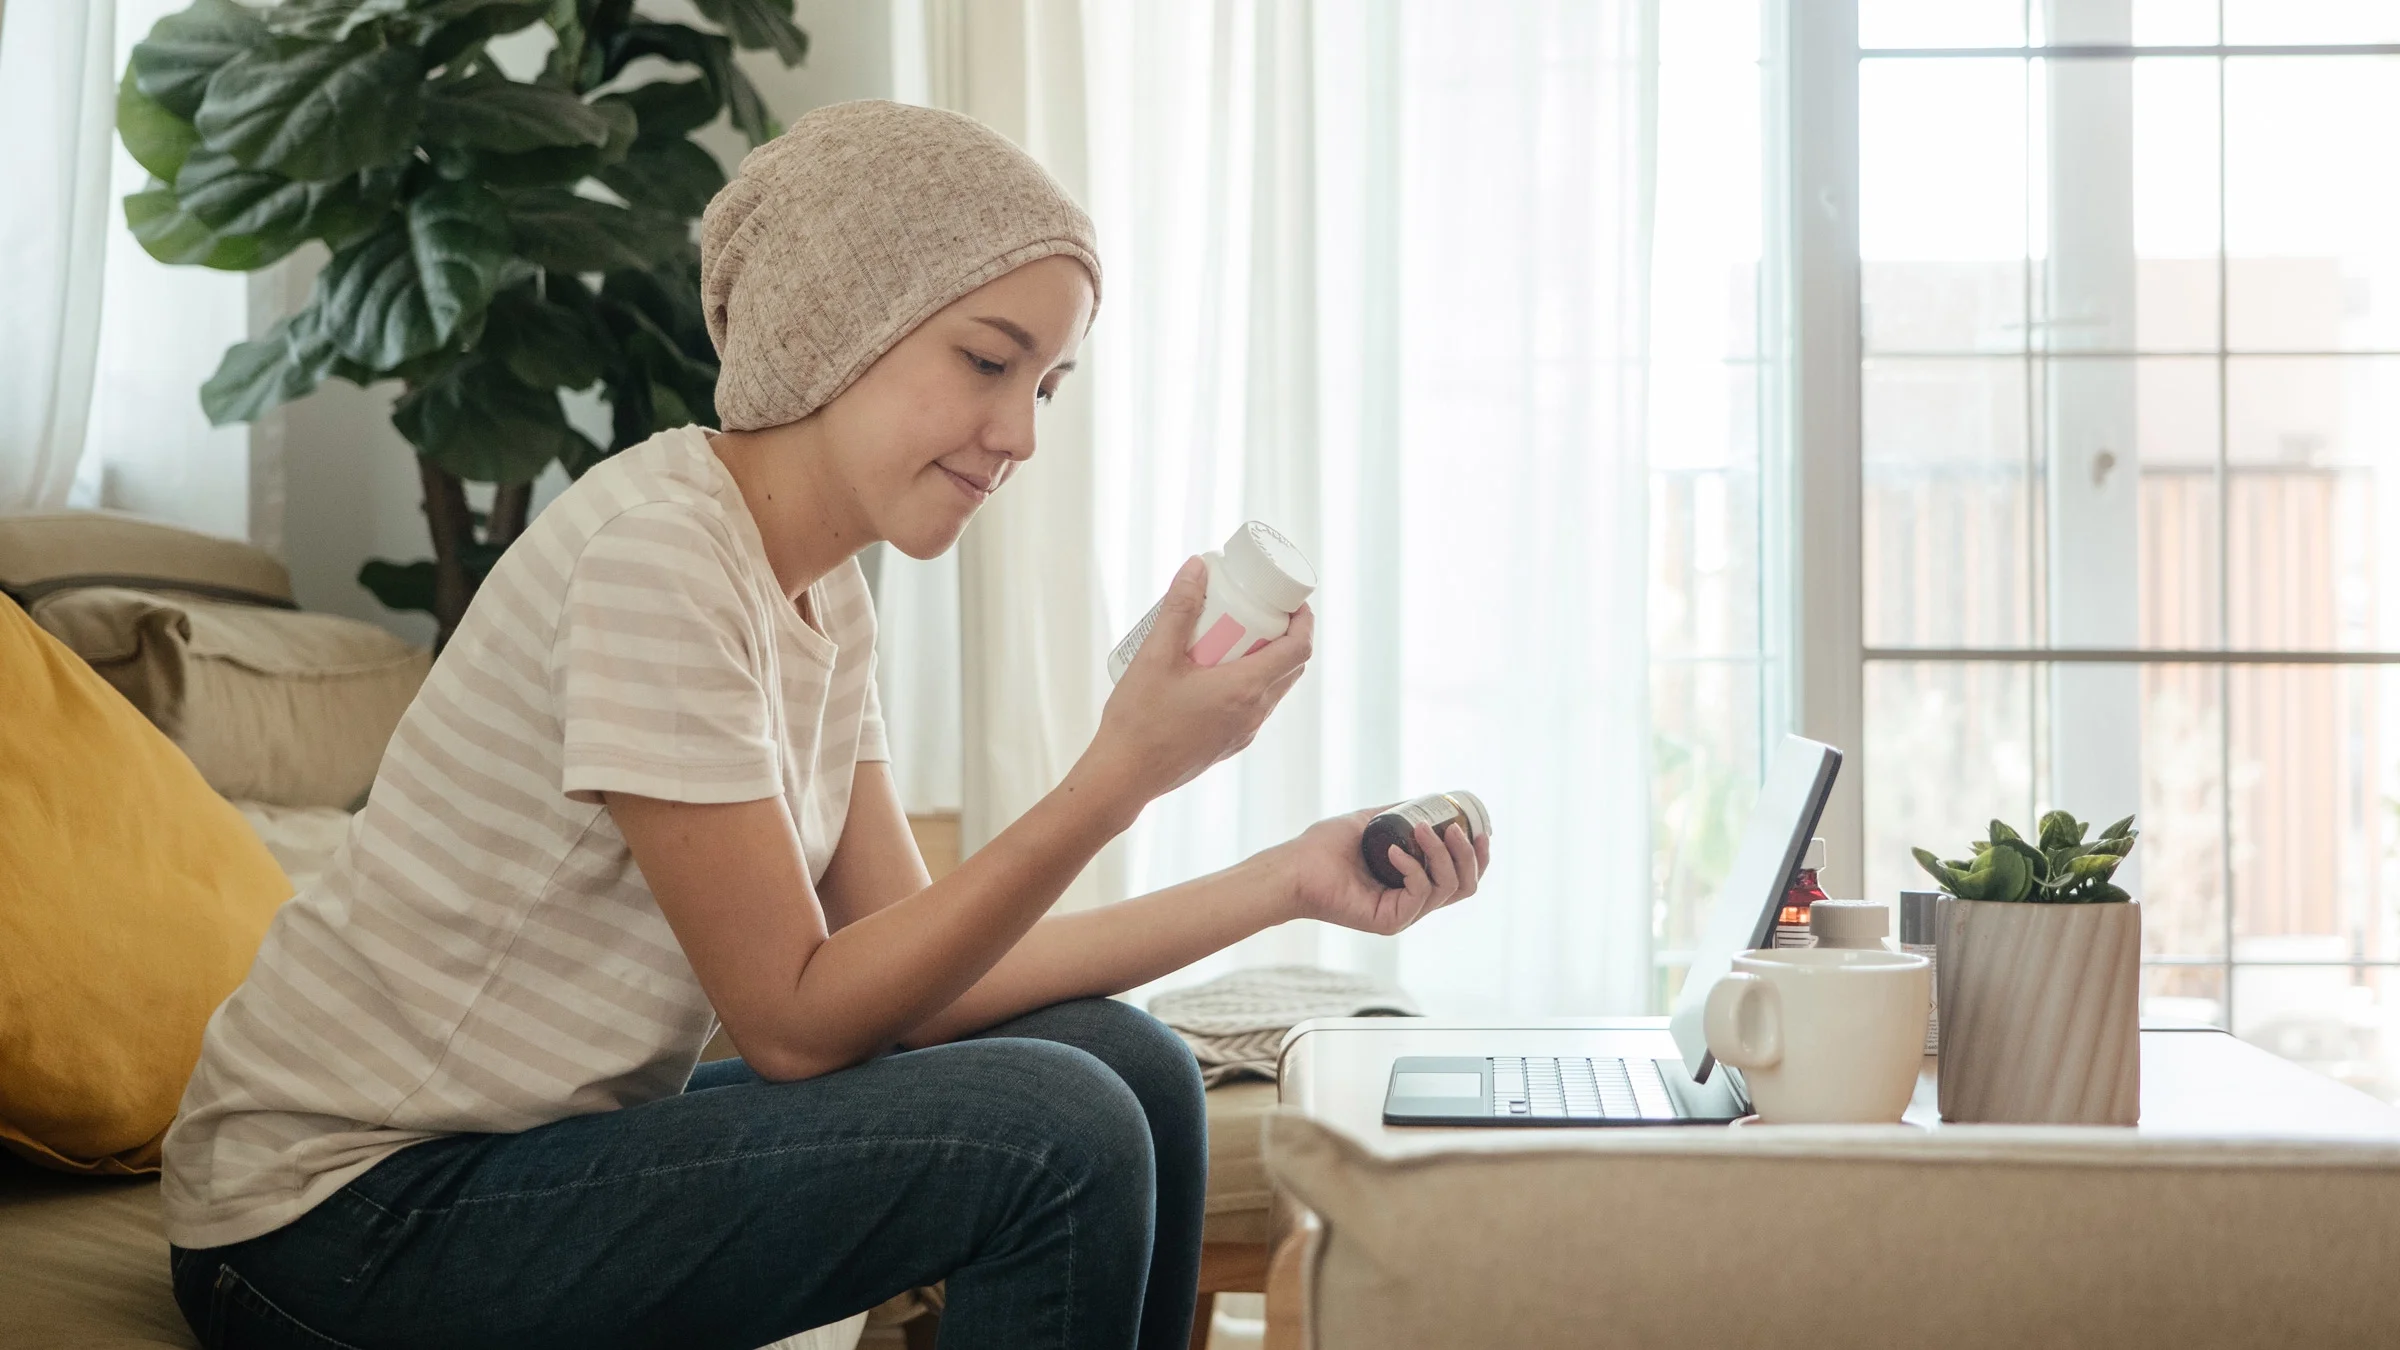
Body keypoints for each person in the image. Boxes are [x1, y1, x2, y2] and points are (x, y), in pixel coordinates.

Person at [160, 100, 1489, 1350]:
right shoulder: (658, 558)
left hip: (506, 1166)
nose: (1021, 432)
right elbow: (795, 1022)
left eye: (1049, 385)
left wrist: (1288, 880)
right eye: (987, 360)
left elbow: (919, 986)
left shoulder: (822, 592)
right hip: (333, 1221)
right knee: (1054, 1127)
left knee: (1125, 1061)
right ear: (839, 326)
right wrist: (1121, 774)